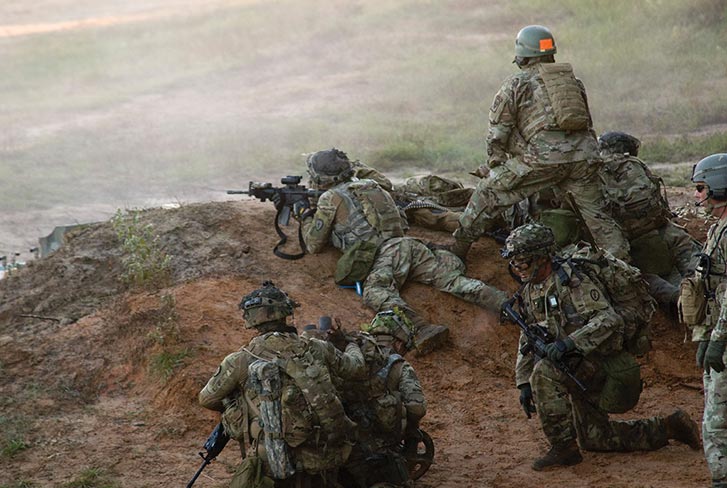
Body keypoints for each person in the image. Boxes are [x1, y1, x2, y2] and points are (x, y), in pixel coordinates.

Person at [503, 223, 700, 471]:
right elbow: (528, 335)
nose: (517, 270)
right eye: (514, 264)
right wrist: (522, 382)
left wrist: (568, 344)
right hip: (575, 362)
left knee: (544, 372)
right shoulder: (532, 289)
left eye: (522, 263)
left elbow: (609, 320)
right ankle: (669, 427)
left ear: (541, 258)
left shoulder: (573, 282)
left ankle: (564, 448)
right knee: (596, 438)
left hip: (601, 360)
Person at [298, 148, 508, 356]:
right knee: (454, 281)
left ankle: (420, 328)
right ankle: (507, 303)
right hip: (409, 245)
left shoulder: (329, 198)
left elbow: (314, 244)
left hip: (385, 254)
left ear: (319, 177)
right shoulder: (372, 184)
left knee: (376, 292)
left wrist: (305, 214)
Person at [449, 25, 629, 261]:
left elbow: (498, 132)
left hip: (543, 160)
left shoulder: (517, 83)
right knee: (600, 219)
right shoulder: (572, 81)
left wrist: (496, 164)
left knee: (489, 192)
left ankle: (458, 249)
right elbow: (585, 123)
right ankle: (623, 267)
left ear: (522, 55)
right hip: (584, 158)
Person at [198, 281, 366, 488]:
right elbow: (356, 368)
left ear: (251, 319)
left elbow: (207, 398)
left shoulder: (240, 360)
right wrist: (351, 344)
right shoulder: (317, 348)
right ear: (285, 313)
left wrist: (240, 401)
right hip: (322, 453)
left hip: (271, 459)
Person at [321, 309, 429, 488]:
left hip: (338, 442)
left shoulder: (348, 352)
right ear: (399, 342)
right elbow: (417, 408)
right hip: (379, 447)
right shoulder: (398, 364)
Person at [597, 131, 701, 310]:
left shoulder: (593, 173)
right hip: (661, 229)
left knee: (641, 277)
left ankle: (677, 300)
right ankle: (699, 289)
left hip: (626, 241)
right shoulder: (637, 166)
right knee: (693, 256)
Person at [683, 154, 727, 488]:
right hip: (716, 332)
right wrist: (703, 335)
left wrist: (717, 339)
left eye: (700, 188)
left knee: (716, 424)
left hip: (724, 338)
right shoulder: (717, 229)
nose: (697, 195)